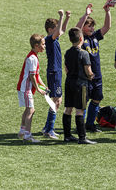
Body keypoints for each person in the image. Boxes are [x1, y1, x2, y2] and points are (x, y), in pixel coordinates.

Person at [76, 3, 111, 133]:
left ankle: (90, 124)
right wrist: (86, 15)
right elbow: (77, 28)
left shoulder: (95, 37)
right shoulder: (81, 38)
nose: (91, 28)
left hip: (97, 75)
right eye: (88, 26)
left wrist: (107, 11)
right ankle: (80, 126)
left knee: (97, 98)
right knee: (83, 102)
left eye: (92, 26)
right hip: (84, 75)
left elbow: (107, 27)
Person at [63, 27, 96, 144]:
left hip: (69, 82)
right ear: (81, 38)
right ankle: (82, 137)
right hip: (81, 84)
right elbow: (88, 71)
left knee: (68, 109)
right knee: (80, 110)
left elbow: (66, 69)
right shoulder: (84, 54)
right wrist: (92, 76)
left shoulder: (67, 52)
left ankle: (67, 136)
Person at [41, 9, 71, 139]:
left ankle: (47, 127)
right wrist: (62, 15)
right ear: (49, 29)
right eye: (55, 27)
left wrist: (67, 18)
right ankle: (49, 129)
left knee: (57, 100)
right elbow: (59, 31)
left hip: (56, 72)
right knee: (57, 101)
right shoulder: (49, 39)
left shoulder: (54, 38)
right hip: (54, 72)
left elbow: (62, 30)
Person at [17, 34, 47, 143]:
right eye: (43, 44)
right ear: (36, 45)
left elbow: (37, 76)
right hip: (26, 88)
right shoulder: (33, 58)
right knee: (31, 110)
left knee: (27, 109)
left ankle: (22, 130)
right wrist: (38, 89)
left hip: (24, 88)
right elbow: (32, 76)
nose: (44, 46)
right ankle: (27, 135)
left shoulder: (33, 56)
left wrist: (43, 86)